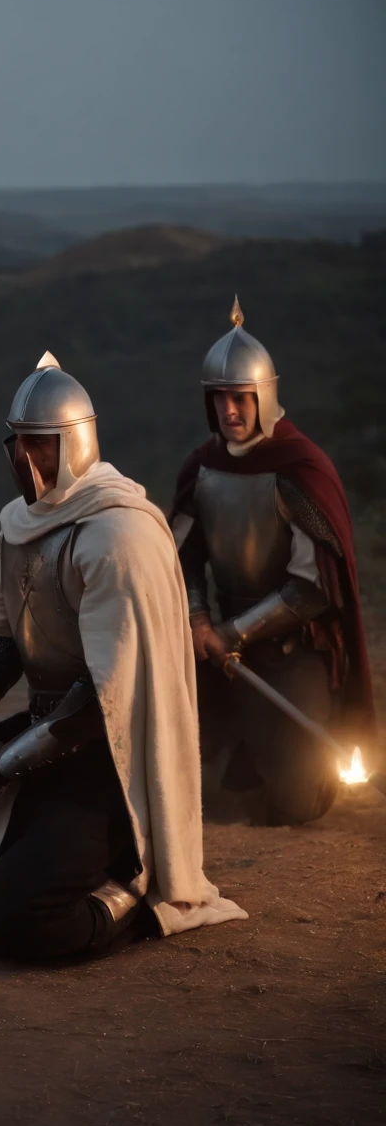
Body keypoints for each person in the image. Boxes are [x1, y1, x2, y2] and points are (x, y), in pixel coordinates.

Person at [0, 351, 246, 962]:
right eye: (18, 444)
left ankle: (129, 893)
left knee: (24, 926)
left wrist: (0, 767)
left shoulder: (117, 536)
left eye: (42, 445)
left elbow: (109, 693)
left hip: (111, 761)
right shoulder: (20, 527)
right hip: (46, 738)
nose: (27, 460)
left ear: (74, 442)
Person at [170, 298, 375, 826]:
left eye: (241, 398)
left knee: (299, 801)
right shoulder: (203, 468)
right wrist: (197, 620)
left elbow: (313, 587)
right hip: (212, 647)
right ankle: (238, 753)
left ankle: (273, 758)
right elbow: (179, 558)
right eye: (220, 400)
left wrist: (233, 632)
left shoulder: (298, 470)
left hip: (289, 652)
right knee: (184, 778)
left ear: (264, 395)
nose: (230, 412)